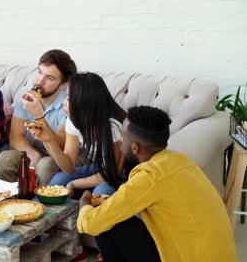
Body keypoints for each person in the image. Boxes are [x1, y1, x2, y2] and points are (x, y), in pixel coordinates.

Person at [77, 106, 237, 261]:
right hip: (215, 255)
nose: (120, 139)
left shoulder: (150, 176)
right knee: (116, 218)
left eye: (123, 136)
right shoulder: (180, 161)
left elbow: (92, 224)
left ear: (134, 147)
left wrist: (84, 204)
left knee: (102, 217)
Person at [27, 72, 127, 198]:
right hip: (98, 166)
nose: (64, 102)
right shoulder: (73, 121)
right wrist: (49, 141)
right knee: (59, 181)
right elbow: (68, 167)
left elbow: (112, 173)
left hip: (117, 174)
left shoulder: (113, 127)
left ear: (83, 103)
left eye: (69, 98)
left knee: (101, 192)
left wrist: (75, 184)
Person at [0, 49, 77, 185]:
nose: (40, 81)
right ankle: (7, 203)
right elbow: (15, 136)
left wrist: (38, 115)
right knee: (5, 158)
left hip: (56, 153)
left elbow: (62, 144)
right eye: (39, 72)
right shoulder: (25, 93)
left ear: (64, 84)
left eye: (49, 78)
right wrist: (32, 154)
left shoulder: (69, 103)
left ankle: (38, 205)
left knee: (44, 166)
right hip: (33, 147)